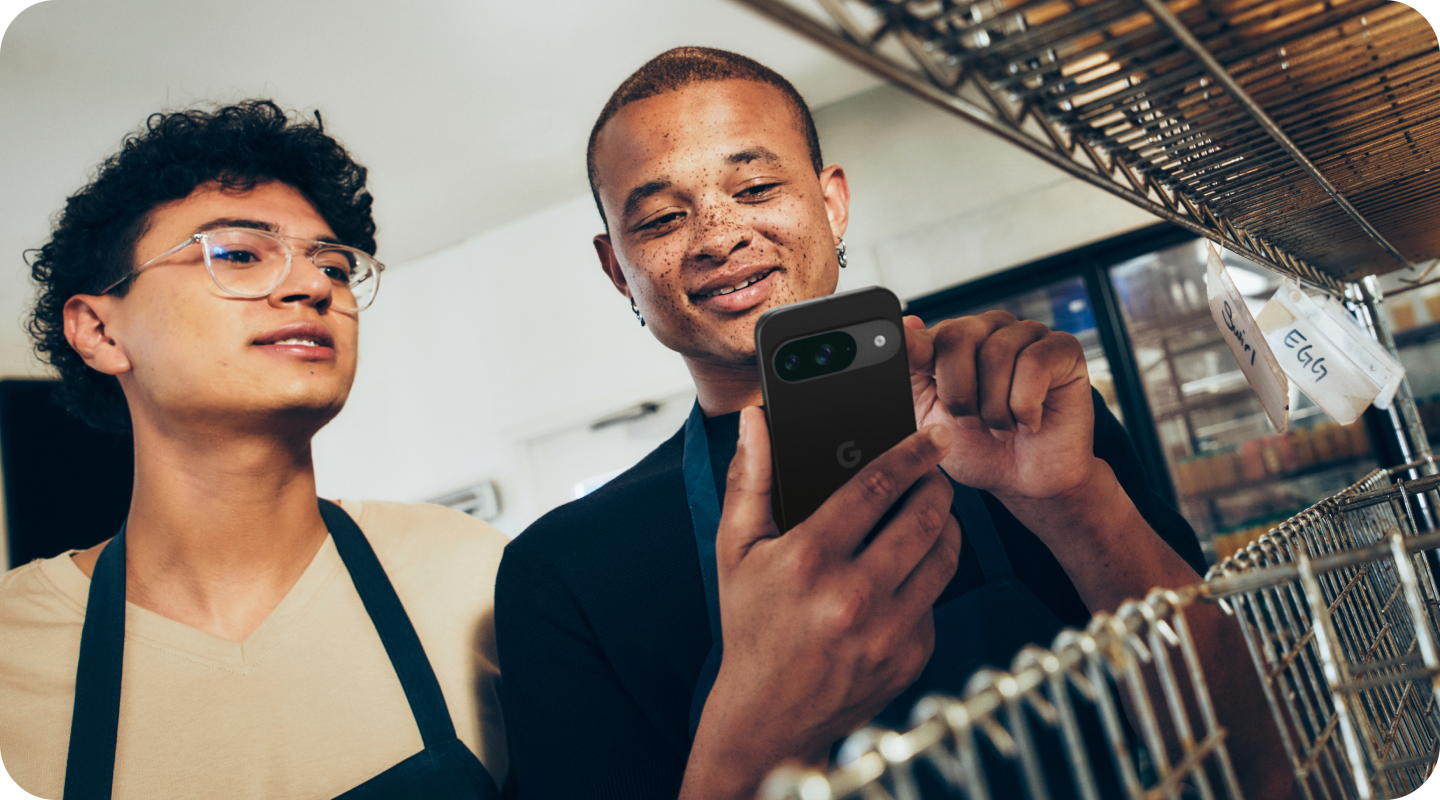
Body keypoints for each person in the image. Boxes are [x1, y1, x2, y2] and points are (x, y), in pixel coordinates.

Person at [495, 47, 1294, 800]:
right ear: (617, 270)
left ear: (831, 201)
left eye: (756, 189)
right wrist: (760, 724)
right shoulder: (562, 574)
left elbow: (1257, 765)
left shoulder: (1019, 412)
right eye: (663, 219)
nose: (718, 236)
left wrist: (1074, 502)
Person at [0, 101, 508, 799]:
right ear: (100, 332)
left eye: (333, 267)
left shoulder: (473, 576)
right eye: (238, 254)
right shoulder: (10, 647)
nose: (311, 288)